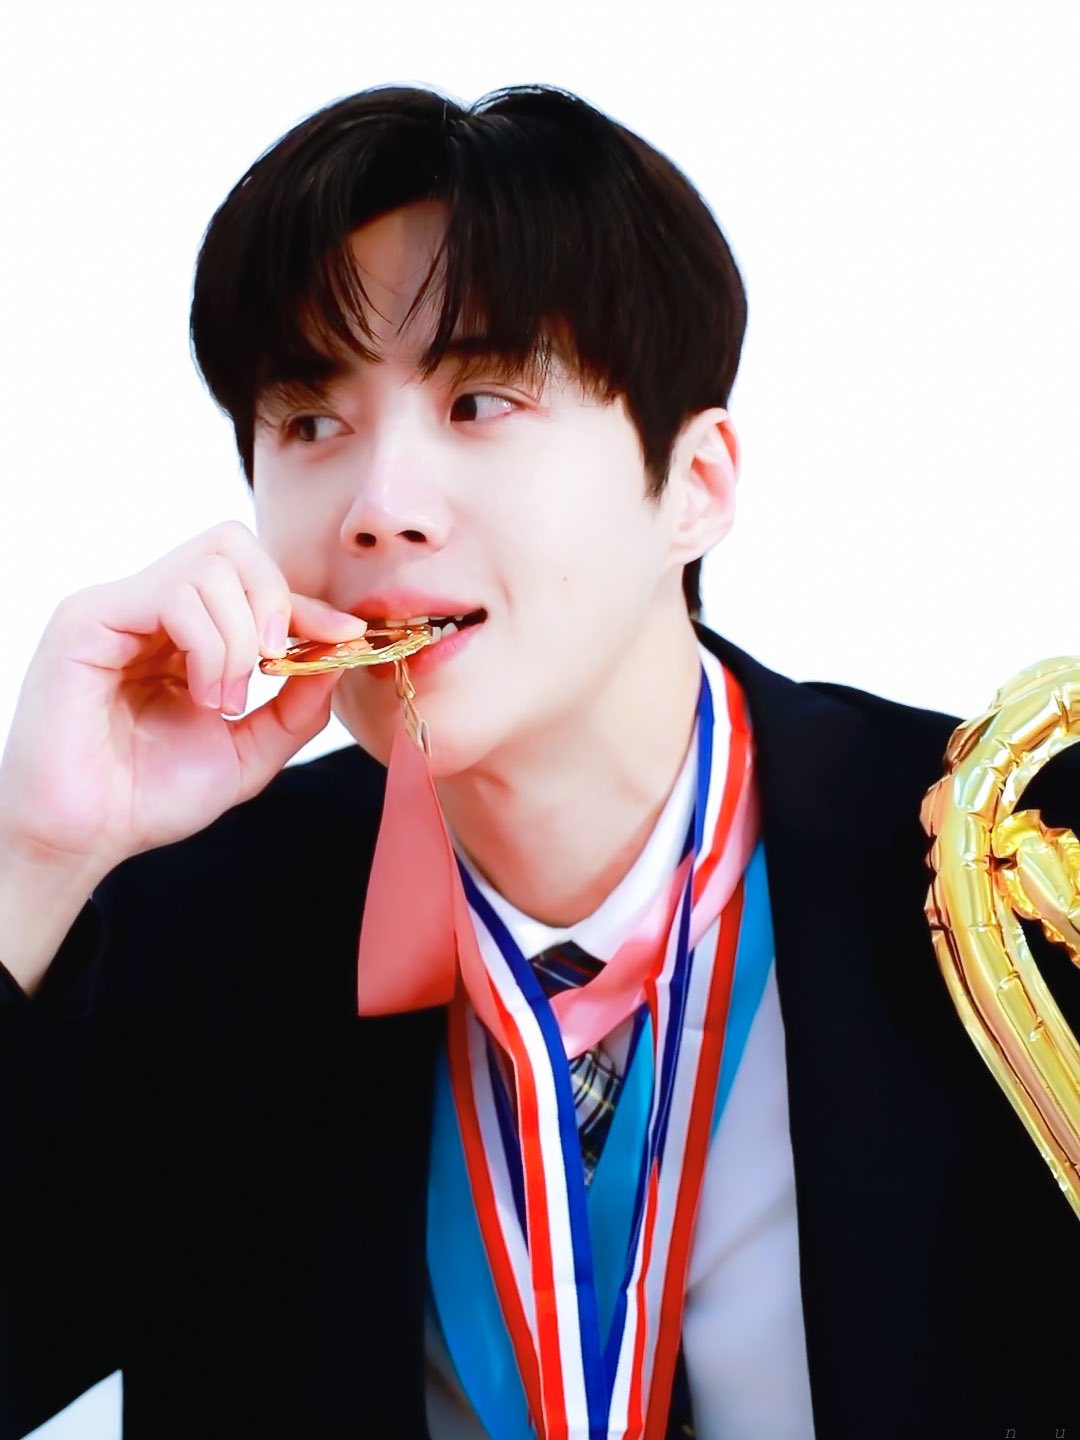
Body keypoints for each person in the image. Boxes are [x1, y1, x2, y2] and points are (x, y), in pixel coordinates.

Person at [0, 84, 1076, 1440]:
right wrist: (31, 858)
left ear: (697, 485)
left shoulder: (1012, 867)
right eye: (310, 421)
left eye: (481, 399)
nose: (380, 509)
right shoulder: (183, 913)